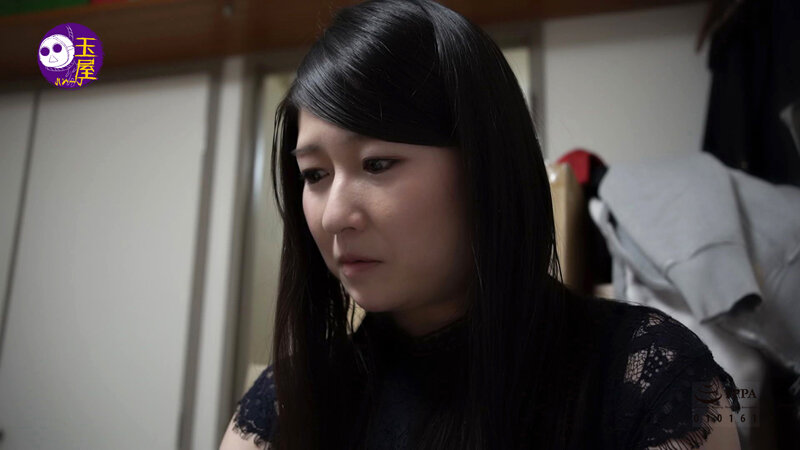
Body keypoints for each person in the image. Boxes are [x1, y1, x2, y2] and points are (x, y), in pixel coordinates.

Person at [219, 0, 742, 448]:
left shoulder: (646, 376)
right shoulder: (290, 399)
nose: (333, 215)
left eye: (377, 164)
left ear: (485, 167)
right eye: (314, 174)